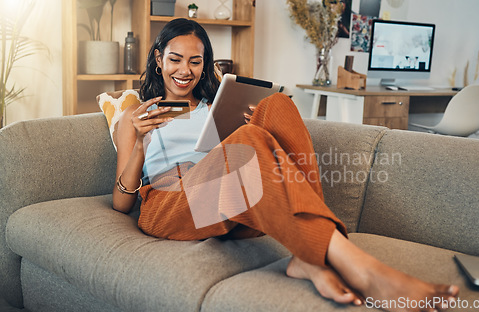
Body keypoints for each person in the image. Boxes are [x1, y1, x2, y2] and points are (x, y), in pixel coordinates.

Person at [113, 18, 459, 311]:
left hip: (228, 202)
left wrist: (250, 126)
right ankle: (359, 267)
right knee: (247, 143)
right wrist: (141, 146)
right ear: (158, 59)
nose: (184, 71)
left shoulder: (213, 105)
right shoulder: (136, 114)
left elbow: (240, 157)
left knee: (276, 104)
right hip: (169, 202)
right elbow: (121, 202)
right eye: (175, 59)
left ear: (206, 64)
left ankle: (308, 256)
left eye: (195, 61)